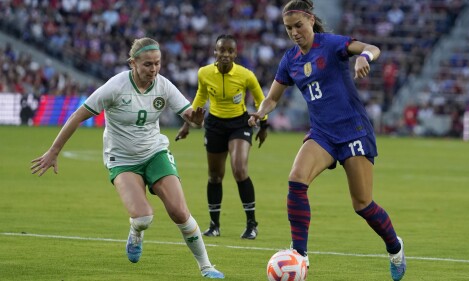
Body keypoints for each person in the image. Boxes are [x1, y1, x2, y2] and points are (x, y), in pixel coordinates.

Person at [30, 37, 225, 279]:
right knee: (143, 217)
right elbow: (78, 116)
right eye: (147, 65)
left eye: (157, 64)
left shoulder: (163, 86)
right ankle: (136, 231)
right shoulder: (115, 86)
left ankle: (207, 267)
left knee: (179, 212)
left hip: (155, 153)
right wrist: (54, 151)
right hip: (121, 159)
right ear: (133, 63)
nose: (153, 70)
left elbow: (189, 115)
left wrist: (195, 121)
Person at [247, 1, 406, 280]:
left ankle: (395, 247)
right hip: (322, 134)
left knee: (363, 205)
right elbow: (272, 98)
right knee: (296, 180)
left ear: (310, 20)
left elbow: (372, 48)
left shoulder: (331, 44)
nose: (294, 32)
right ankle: (300, 255)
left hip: (353, 130)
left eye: (298, 25)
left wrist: (363, 58)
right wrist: (259, 113)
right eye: (288, 28)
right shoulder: (290, 59)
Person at [175, 34, 268, 240]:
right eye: (221, 50)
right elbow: (200, 98)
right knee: (215, 176)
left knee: (239, 169)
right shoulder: (205, 73)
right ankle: (214, 225)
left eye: (229, 51)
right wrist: (187, 125)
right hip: (215, 124)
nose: (225, 54)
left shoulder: (246, 75)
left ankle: (252, 224)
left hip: (239, 124)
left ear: (235, 53)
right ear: (215, 52)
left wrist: (263, 125)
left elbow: (262, 100)